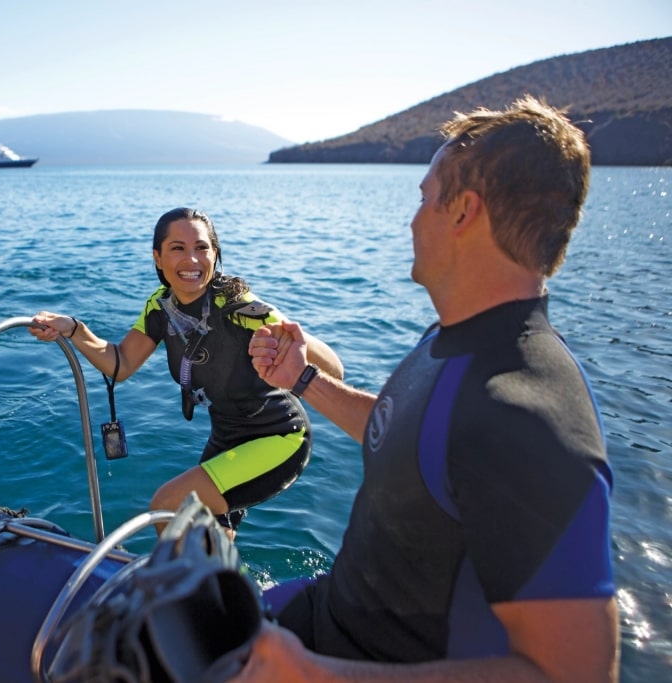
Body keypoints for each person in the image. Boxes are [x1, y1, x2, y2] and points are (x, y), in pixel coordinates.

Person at [239, 97, 619, 682]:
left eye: (423, 198)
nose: (414, 218)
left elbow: (574, 673)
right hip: (325, 617)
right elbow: (411, 438)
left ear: (463, 211)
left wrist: (313, 675)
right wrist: (302, 380)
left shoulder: (527, 413)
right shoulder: (450, 341)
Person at [29, 207, 343, 536]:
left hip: (279, 436)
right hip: (226, 440)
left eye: (202, 248)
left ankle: (184, 586)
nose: (191, 260)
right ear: (158, 258)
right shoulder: (160, 307)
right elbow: (120, 363)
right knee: (210, 537)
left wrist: (289, 332)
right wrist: (74, 328)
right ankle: (225, 585)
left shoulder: (238, 307)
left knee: (169, 504)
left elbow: (335, 370)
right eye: (177, 248)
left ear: (215, 254)